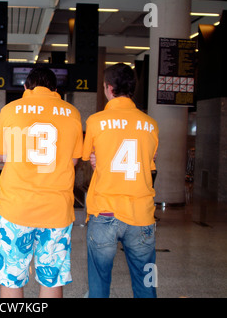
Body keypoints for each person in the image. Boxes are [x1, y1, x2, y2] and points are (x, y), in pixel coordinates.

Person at [0, 67, 84, 298]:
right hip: (56, 210)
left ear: (25, 87)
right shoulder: (71, 112)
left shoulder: (10, 110)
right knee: (51, 279)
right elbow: (73, 160)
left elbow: (0, 156)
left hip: (16, 207)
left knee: (12, 280)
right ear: (56, 89)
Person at [82, 63, 159, 298]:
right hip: (141, 214)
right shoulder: (151, 125)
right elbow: (150, 164)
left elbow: (87, 156)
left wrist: (98, 158)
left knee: (99, 283)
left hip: (105, 211)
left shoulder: (96, 121)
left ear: (109, 88)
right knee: (146, 283)